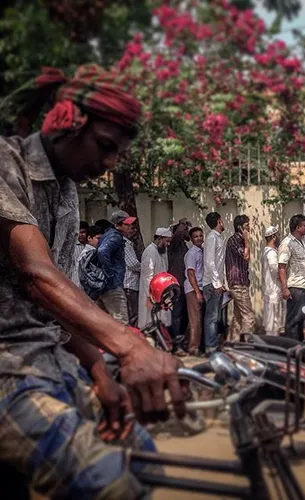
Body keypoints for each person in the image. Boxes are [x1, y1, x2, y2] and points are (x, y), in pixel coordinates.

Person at [0, 64, 184, 498]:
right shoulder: (6, 163)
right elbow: (37, 275)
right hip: (9, 370)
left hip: (54, 365)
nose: (107, 165)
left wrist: (101, 373)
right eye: (104, 147)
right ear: (68, 122)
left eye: (116, 154)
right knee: (109, 480)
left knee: (144, 460)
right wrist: (130, 345)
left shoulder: (65, 191)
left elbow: (59, 300)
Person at [96, 210, 136, 324]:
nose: (130, 227)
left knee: (105, 324)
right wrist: (110, 273)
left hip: (104, 286)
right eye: (126, 224)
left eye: (130, 224)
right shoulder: (115, 237)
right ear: (117, 225)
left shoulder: (107, 235)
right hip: (113, 286)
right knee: (121, 323)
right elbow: (102, 252)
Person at [278, 214, 305, 342]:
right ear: (297, 228)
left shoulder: (302, 242)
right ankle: (289, 348)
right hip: (295, 287)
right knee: (293, 319)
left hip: (303, 286)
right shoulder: (287, 243)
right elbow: (281, 267)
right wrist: (285, 289)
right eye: (304, 225)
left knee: (300, 319)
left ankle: (298, 347)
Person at [225, 214, 255, 342]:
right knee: (249, 316)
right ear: (240, 228)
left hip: (241, 283)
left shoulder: (239, 240)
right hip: (238, 283)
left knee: (237, 317)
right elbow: (246, 256)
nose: (249, 229)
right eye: (246, 226)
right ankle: (248, 345)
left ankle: (232, 343)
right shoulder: (235, 240)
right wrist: (247, 242)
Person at [138, 228, 172, 330]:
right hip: (152, 293)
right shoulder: (150, 252)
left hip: (162, 291)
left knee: (162, 322)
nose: (168, 244)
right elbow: (147, 277)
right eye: (167, 241)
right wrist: (151, 296)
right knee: (150, 323)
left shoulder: (163, 251)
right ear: (159, 239)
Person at [203, 212, 226, 353]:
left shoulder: (217, 238)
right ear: (219, 221)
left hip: (216, 282)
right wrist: (217, 283)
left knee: (216, 317)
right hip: (212, 283)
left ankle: (214, 345)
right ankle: (210, 347)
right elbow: (210, 262)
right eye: (222, 220)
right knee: (211, 317)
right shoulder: (212, 237)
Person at [168, 219, 192, 343]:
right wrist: (183, 223)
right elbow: (178, 233)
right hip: (176, 283)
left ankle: (181, 338)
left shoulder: (183, 245)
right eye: (185, 230)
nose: (187, 232)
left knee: (184, 314)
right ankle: (176, 340)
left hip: (184, 283)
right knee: (177, 314)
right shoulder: (174, 244)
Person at [184, 227, 205, 356]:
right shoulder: (192, 253)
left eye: (200, 236)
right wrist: (197, 292)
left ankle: (188, 343)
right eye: (196, 236)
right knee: (195, 320)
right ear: (191, 239)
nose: (199, 238)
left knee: (197, 319)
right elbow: (190, 273)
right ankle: (193, 348)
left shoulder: (202, 251)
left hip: (200, 287)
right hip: (193, 289)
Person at [261, 226, 283, 336]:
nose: (279, 236)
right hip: (273, 293)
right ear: (274, 237)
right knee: (273, 327)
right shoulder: (271, 254)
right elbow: (276, 271)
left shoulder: (267, 251)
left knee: (273, 325)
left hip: (270, 293)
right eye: (278, 235)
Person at [124, 225, 142, 327]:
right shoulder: (125, 244)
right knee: (133, 315)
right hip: (129, 285)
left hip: (130, 285)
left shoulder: (129, 244)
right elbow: (132, 264)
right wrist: (146, 267)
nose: (133, 231)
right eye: (131, 228)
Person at [70, 221, 90, 286]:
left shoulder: (91, 245)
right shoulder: (72, 246)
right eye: (79, 232)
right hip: (74, 280)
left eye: (83, 232)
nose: (80, 235)